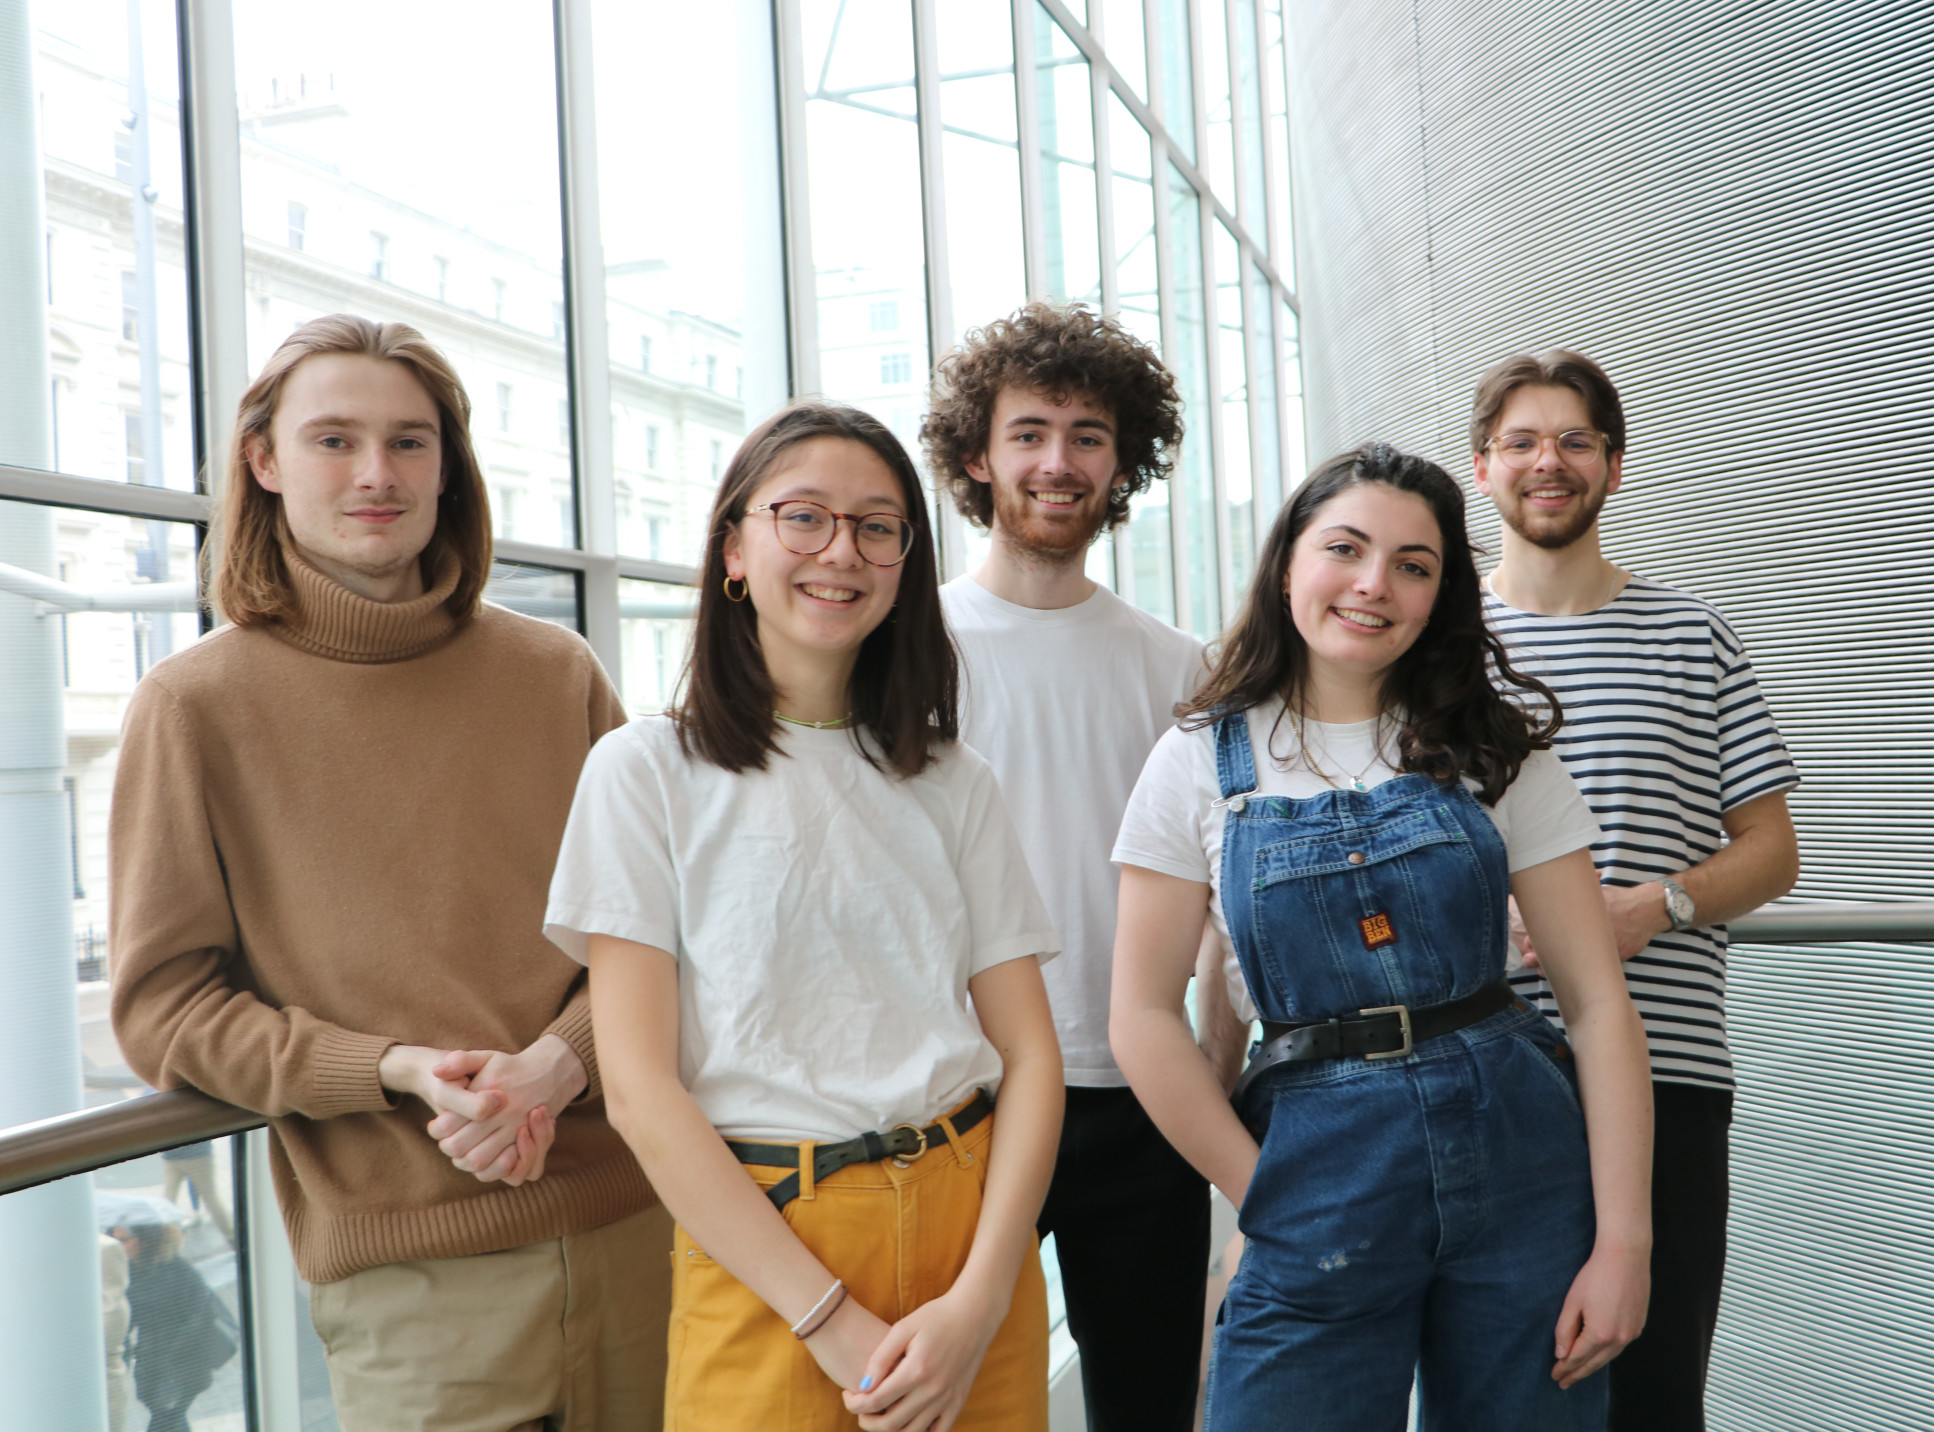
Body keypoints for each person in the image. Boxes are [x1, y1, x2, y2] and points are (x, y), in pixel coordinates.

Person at [109, 314, 670, 1431]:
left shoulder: (556, 674)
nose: (377, 473)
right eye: (334, 440)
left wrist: (556, 1067)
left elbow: (663, 935)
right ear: (263, 461)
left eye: (411, 442)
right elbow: (163, 1009)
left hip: (643, 1230)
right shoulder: (193, 706)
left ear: (448, 463)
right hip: (411, 1288)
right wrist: (394, 1066)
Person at [1110, 442, 1655, 1429]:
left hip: (1522, 1162)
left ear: (1439, 594)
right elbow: (1141, 1015)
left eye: (1413, 564)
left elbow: (1597, 1005)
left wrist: (1623, 1242)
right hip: (1312, 1166)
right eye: (1345, 548)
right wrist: (1259, 1193)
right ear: (1287, 562)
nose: (1374, 585)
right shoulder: (1197, 758)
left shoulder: (1493, 747)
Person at [545, 402, 1064, 1432]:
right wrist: (827, 1317)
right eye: (805, 517)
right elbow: (641, 1088)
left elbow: (1032, 1057)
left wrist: (982, 1295)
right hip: (772, 1249)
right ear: (733, 547)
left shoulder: (952, 778)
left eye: (878, 527)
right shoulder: (645, 771)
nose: (843, 550)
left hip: (971, 1235)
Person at [1469, 351, 1802, 1431]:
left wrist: (1647, 907)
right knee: (1500, 1391)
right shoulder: (1438, 654)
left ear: (1613, 465)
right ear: (1481, 468)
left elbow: (1769, 849)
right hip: (1479, 1077)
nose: (1545, 462)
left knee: (1655, 1396)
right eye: (1519, 440)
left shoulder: (1692, 637)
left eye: (1572, 439)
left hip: (1667, 1077)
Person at [923, 302, 1239, 1428]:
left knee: (1147, 1404)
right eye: (1029, 432)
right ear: (977, 454)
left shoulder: (1182, 668)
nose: (1057, 462)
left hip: (1139, 1092)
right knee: (960, 1402)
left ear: (1123, 460)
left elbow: (1217, 876)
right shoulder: (909, 652)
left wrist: (1219, 1039)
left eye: (1087, 435)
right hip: (964, 1094)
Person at [114, 1220, 236, 1432]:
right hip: (153, 1366)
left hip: (181, 1367)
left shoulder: (176, 1271)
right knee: (170, 1420)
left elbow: (200, 1316)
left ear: (143, 1241)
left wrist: (173, 1357)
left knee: (165, 1421)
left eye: (123, 1240)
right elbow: (126, 1320)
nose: (118, 1245)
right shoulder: (132, 1271)